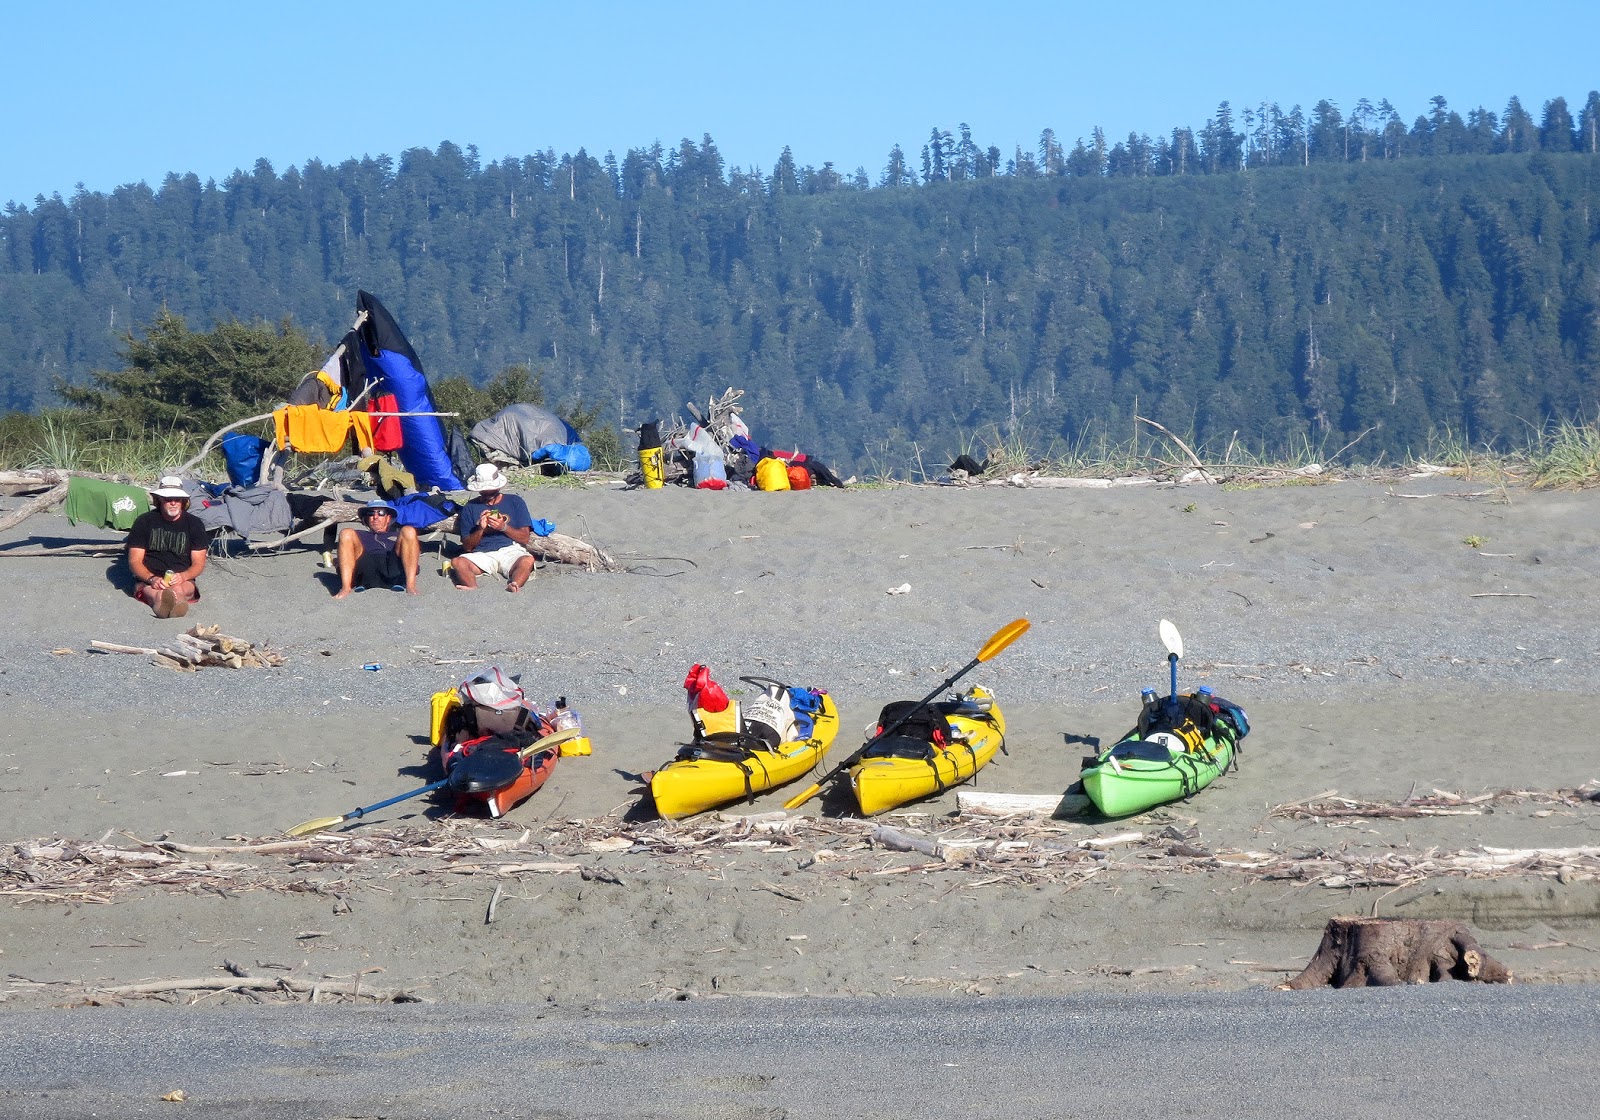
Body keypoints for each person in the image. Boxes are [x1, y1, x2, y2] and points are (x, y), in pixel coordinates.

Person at [125, 475, 209, 619]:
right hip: (149, 577)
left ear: (183, 502)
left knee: (178, 590)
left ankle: (176, 603)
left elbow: (199, 563)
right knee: (158, 592)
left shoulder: (194, 524)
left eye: (177, 499)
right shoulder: (144, 522)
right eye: (168, 499)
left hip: (183, 578)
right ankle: (161, 606)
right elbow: (135, 561)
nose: (173, 503)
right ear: (160, 500)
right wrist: (152, 579)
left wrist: (183, 576)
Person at [451, 464, 535, 592]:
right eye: (485, 491)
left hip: (509, 549)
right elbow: (467, 547)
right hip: (482, 554)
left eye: (491, 489)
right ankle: (471, 586)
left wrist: (503, 527)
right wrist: (480, 529)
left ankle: (515, 584)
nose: (488, 493)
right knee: (458, 562)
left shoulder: (515, 501)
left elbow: (525, 538)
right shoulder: (470, 507)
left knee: (527, 560)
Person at [333, 498, 420, 598]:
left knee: (408, 530)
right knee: (346, 532)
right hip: (364, 569)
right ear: (366, 518)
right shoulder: (358, 535)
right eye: (371, 513)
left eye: (381, 513)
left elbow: (412, 554)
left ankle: (411, 586)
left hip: (393, 568)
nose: (375, 517)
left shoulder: (398, 535)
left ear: (388, 518)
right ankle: (346, 588)